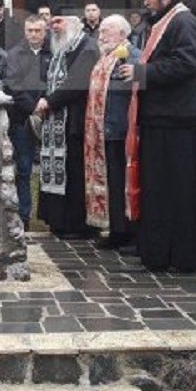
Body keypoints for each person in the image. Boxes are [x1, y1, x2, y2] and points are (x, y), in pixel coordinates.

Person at [119, 0, 196, 273]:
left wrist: (141, 73)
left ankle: (182, 254)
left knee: (178, 192)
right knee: (159, 190)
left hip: (177, 122)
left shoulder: (183, 22)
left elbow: (187, 63)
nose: (146, 4)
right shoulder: (163, 22)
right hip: (162, 120)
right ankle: (158, 250)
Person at [34, 16, 100, 238]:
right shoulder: (63, 49)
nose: (55, 28)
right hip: (57, 122)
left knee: (74, 173)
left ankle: (75, 225)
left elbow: (77, 83)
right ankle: (58, 221)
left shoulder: (87, 47)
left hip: (75, 121)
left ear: (74, 25)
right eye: (52, 25)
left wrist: (50, 102)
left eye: (59, 24)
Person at [84, 14, 135, 250]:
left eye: (107, 31)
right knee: (112, 184)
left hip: (121, 130)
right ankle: (114, 228)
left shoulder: (131, 56)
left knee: (122, 184)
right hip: (105, 131)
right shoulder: (106, 58)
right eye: (100, 30)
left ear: (123, 34)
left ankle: (126, 231)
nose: (101, 35)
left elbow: (138, 87)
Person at [4, 15, 50, 228]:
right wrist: (33, 107)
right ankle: (24, 215)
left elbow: (57, 80)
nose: (34, 34)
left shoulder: (53, 53)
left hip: (50, 115)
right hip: (22, 118)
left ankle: (49, 214)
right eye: (30, 30)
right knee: (23, 168)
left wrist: (47, 101)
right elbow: (13, 84)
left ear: (45, 31)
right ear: (25, 31)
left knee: (50, 169)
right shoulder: (14, 54)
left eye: (38, 30)